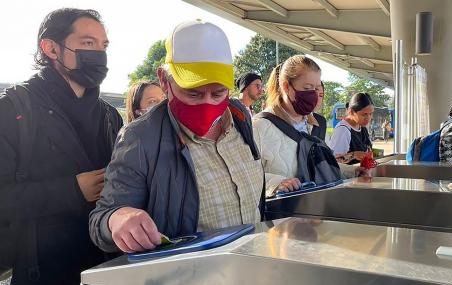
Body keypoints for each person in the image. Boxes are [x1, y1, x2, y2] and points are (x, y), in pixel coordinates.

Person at [90, 21, 264, 254]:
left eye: (218, 93)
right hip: (190, 279)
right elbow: (102, 217)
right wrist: (117, 218)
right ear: (164, 80)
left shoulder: (240, 116)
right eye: (193, 93)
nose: (207, 103)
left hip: (251, 266)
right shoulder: (141, 138)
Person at [0, 8, 123, 285]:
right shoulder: (13, 111)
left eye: (103, 45)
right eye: (87, 43)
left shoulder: (109, 115)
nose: (99, 54)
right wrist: (73, 190)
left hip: (110, 275)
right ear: (50, 47)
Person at [253, 55, 359, 196]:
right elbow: (245, 175)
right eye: (307, 88)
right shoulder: (259, 127)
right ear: (286, 86)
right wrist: (276, 183)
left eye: (316, 88)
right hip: (284, 214)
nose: (313, 95)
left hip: (318, 208)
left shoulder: (314, 125)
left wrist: (353, 172)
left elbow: (322, 165)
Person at [329, 93, 374, 164]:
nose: (368, 118)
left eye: (370, 114)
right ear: (352, 112)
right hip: (347, 174)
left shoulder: (362, 126)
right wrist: (353, 155)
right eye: (364, 114)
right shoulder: (343, 130)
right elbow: (334, 160)